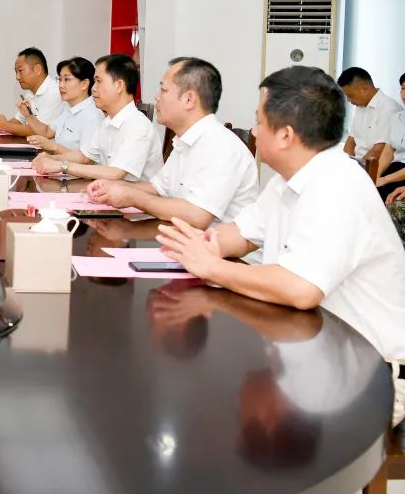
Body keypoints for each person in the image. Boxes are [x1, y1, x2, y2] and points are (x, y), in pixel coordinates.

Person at [157, 66, 405, 424]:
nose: (255, 131)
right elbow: (240, 235)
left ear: (286, 135)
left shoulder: (337, 185)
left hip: (373, 373)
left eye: (259, 122)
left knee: (214, 394)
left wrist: (212, 267)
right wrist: (200, 243)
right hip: (318, 352)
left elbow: (300, 288)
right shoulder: (288, 180)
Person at [85, 57, 258, 227]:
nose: (157, 97)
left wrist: (132, 197)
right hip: (180, 237)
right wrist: (113, 187)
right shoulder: (184, 140)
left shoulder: (220, 146)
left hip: (217, 245)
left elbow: (197, 215)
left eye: (163, 90)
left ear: (189, 99)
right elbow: (158, 188)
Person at [32, 54, 163, 182]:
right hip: (109, 191)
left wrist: (63, 166)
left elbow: (116, 173)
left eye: (98, 81)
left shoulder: (137, 125)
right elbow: (84, 156)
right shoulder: (108, 122)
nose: (93, 88)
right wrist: (51, 159)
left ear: (119, 86)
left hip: (133, 195)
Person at [26, 57, 104, 153]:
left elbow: (87, 159)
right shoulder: (68, 108)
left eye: (67, 79)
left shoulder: (93, 115)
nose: (61, 85)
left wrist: (53, 147)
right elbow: (47, 132)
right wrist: (28, 115)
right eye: (60, 79)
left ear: (84, 84)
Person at [0, 47, 63, 137]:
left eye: (20, 71)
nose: (17, 77)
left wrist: (4, 126)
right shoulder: (30, 92)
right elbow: (20, 120)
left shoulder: (55, 92)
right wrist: (0, 124)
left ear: (37, 69)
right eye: (16, 72)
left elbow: (40, 131)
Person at [337, 66, 402, 163]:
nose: (349, 100)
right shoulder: (360, 106)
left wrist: (357, 168)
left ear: (365, 88)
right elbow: (351, 141)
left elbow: (378, 150)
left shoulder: (389, 109)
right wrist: (344, 164)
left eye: (350, 95)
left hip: (374, 166)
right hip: (357, 164)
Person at [373, 72, 405, 200]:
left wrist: (384, 180)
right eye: (403, 88)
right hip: (394, 169)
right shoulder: (396, 118)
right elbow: (388, 150)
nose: (404, 94)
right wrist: (376, 176)